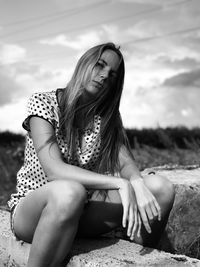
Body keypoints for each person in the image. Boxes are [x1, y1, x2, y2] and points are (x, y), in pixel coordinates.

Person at [8, 42, 175, 267]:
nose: (105, 75)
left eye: (113, 74)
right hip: (36, 212)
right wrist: (118, 183)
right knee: (69, 191)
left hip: (82, 211)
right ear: (84, 64)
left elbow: (124, 161)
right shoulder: (44, 103)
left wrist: (134, 180)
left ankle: (137, 258)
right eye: (100, 65)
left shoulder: (106, 117)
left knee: (160, 188)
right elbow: (54, 171)